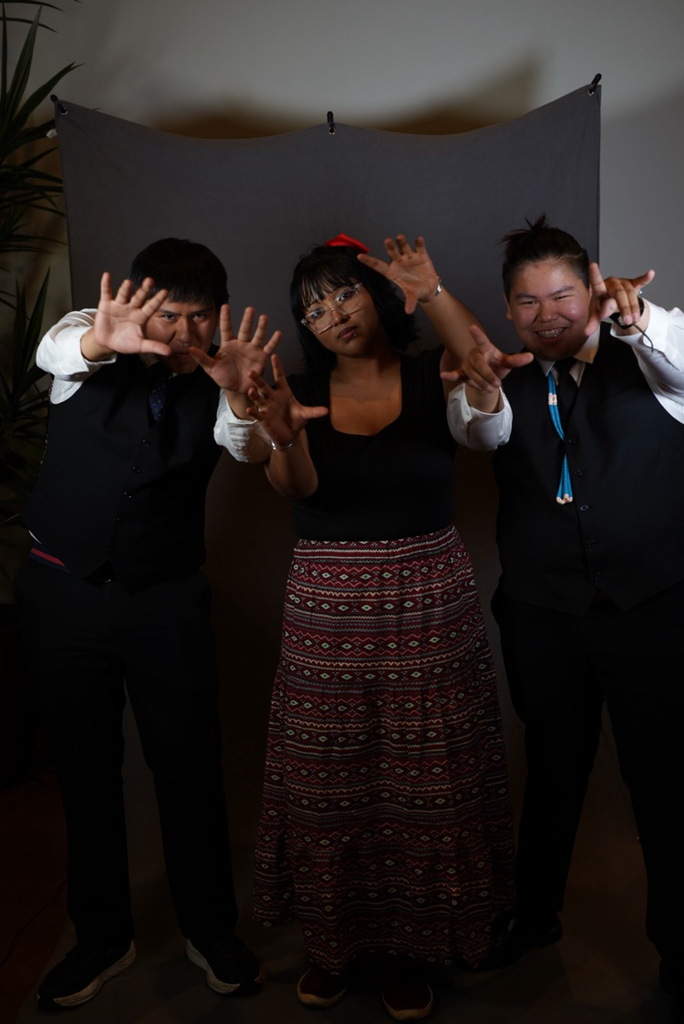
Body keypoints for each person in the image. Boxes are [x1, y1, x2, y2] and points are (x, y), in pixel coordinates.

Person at [224, 233, 515, 1021]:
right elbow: (300, 489)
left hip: (430, 598)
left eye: (343, 293)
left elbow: (485, 389)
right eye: (312, 308)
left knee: (428, 780)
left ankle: (410, 952)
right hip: (326, 603)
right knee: (329, 779)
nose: (331, 314)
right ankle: (335, 945)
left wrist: (435, 288)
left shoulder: (439, 372)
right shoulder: (296, 387)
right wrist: (283, 431)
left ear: (379, 295)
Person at [14, 238, 280, 1011]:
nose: (182, 333)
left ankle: (209, 930)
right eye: (169, 315)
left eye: (199, 319)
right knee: (84, 769)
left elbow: (248, 449)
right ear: (138, 302)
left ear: (217, 316)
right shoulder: (88, 339)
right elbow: (55, 351)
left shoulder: (223, 370)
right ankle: (102, 936)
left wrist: (237, 395)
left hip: (164, 601)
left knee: (189, 767)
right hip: (63, 594)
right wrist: (106, 338)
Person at [445, 216, 684, 1022]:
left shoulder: (654, 355)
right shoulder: (498, 373)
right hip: (545, 613)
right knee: (550, 770)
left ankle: (681, 950)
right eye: (527, 301)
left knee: (664, 781)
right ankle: (533, 913)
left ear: (595, 285)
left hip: (652, 610)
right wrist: (478, 386)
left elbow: (683, 362)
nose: (547, 314)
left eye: (563, 294)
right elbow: (479, 435)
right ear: (510, 310)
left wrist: (641, 321)